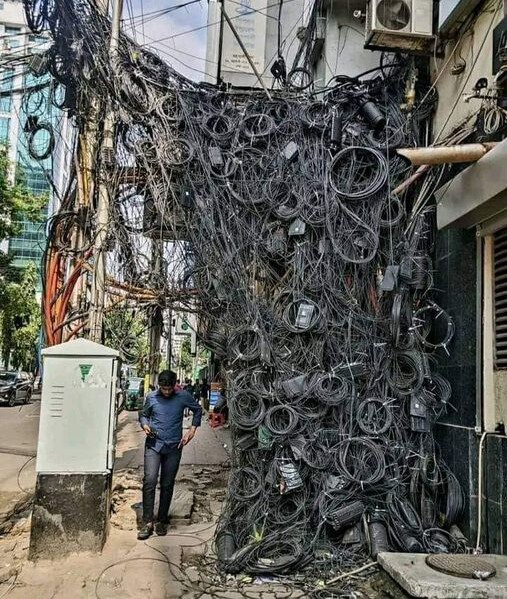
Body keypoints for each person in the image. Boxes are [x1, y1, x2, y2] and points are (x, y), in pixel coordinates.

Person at [137, 369, 202, 540]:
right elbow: (143, 415)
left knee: (167, 483)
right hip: (154, 445)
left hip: (174, 446)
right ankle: (147, 521)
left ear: (174, 386)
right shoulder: (151, 397)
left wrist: (192, 430)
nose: (166, 392)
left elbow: (197, 410)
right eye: (163, 389)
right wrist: (145, 425)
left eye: (169, 389)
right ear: (159, 386)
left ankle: (162, 520)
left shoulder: (183, 396)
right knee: (150, 480)